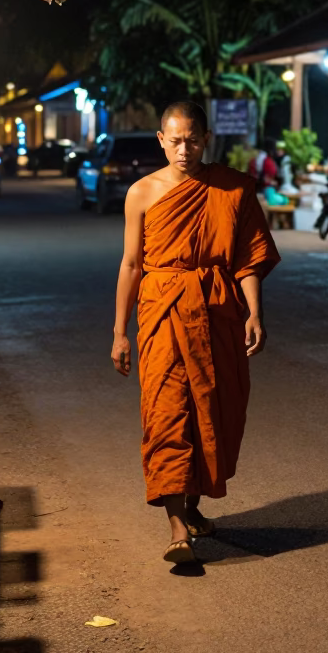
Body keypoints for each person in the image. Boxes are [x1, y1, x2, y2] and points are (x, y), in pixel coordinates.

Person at [111, 101, 280, 565]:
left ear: (206, 138)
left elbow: (247, 259)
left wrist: (254, 313)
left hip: (216, 306)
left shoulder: (233, 189)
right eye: (175, 140)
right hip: (162, 308)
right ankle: (177, 527)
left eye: (193, 139)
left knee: (213, 406)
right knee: (166, 411)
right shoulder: (142, 193)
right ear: (160, 141)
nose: (184, 150)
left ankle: (193, 506)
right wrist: (119, 332)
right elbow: (130, 264)